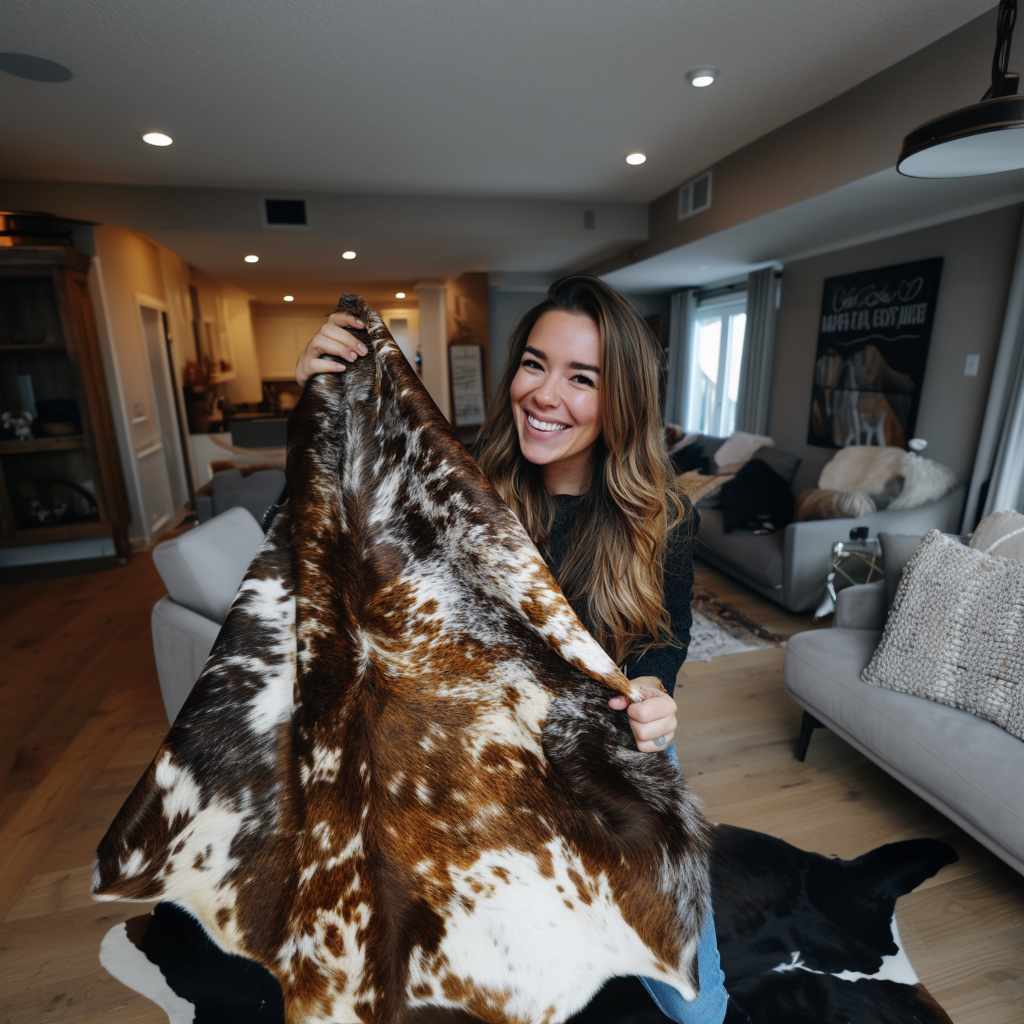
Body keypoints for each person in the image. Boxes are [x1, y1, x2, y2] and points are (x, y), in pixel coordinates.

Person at [295, 274, 750, 1024]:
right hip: (489, 768)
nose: (545, 394)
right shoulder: (459, 484)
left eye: (583, 378)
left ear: (623, 399)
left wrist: (655, 688)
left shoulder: (662, 511)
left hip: (613, 761)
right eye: (535, 363)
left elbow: (665, 632)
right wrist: (316, 411)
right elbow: (322, 540)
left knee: (696, 1012)